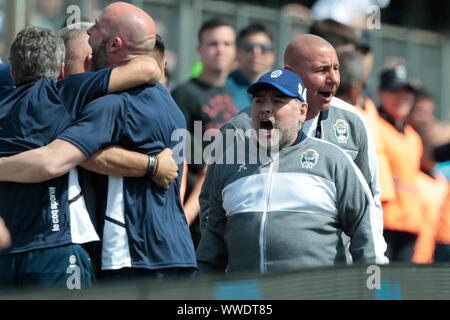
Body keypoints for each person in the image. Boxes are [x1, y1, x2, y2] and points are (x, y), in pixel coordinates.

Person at [0, 2, 198, 282]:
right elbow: (148, 69)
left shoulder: (108, 104)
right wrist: (151, 164)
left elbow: (55, 158)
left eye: (96, 27)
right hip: (176, 250)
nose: (90, 30)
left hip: (133, 256)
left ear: (115, 44)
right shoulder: (168, 102)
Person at [196, 69, 388, 273]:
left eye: (278, 101)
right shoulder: (228, 161)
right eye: (259, 101)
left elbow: (368, 237)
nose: (266, 109)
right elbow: (211, 249)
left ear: (302, 111)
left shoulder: (334, 161)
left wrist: (373, 290)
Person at [171, 17, 238, 249]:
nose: (220, 49)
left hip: (228, 203)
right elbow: (180, 150)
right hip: (197, 209)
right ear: (199, 49)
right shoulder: (184, 94)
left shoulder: (232, 93)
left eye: (227, 44)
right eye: (213, 43)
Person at [377, 65, 425, 262]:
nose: (402, 97)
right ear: (381, 93)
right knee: (379, 287)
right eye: (395, 91)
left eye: (407, 92)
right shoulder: (374, 126)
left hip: (410, 223)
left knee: (401, 290)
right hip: (384, 223)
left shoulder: (413, 136)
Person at [336, 49, 396, 206]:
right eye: (364, 84)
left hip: (376, 196)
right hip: (362, 200)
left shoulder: (367, 107)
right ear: (355, 88)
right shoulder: (348, 116)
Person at [226, 24, 276, 111]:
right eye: (249, 47)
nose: (256, 52)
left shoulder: (283, 91)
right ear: (237, 52)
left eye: (263, 48)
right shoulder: (220, 87)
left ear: (272, 55)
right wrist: (197, 125)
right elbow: (197, 121)